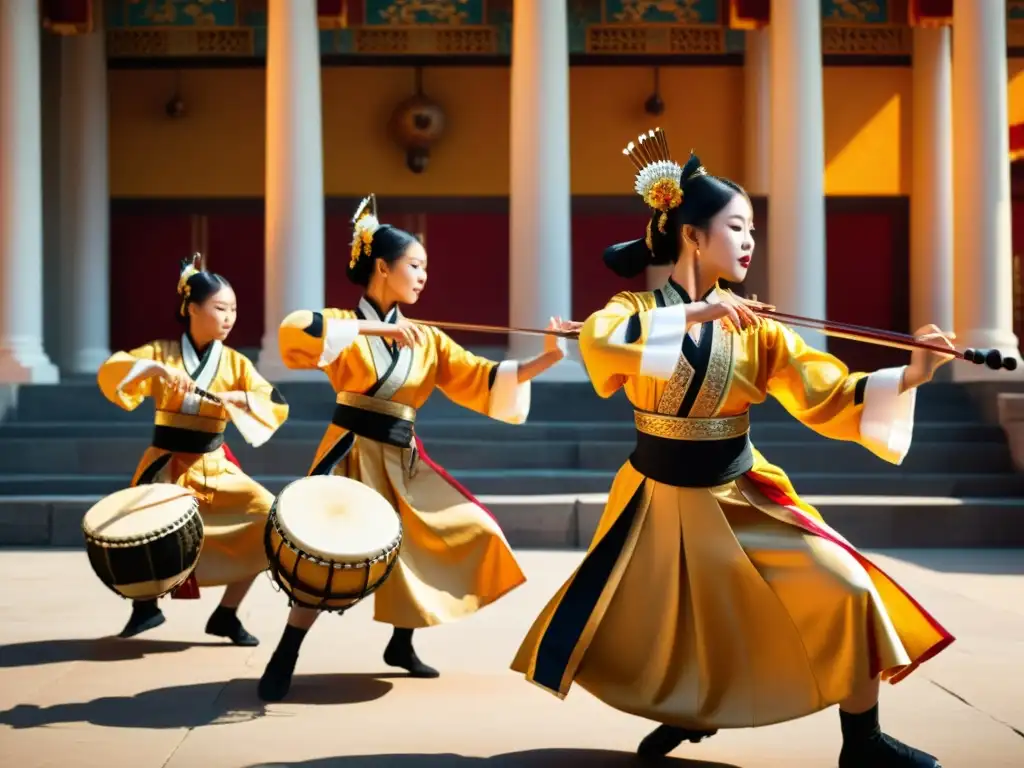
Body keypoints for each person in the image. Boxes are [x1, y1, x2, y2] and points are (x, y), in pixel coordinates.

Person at [510, 131, 955, 768]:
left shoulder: (757, 328)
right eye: (737, 227)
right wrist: (696, 317)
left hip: (737, 491)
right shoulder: (634, 307)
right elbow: (604, 348)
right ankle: (688, 712)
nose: (750, 241)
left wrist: (909, 375)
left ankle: (863, 742)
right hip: (655, 500)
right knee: (670, 627)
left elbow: (822, 387)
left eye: (753, 229)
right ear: (692, 236)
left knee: (848, 586)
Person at [257, 195, 572, 702]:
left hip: (402, 456)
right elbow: (295, 332)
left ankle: (401, 643)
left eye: (426, 267)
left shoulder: (426, 337)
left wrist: (550, 357)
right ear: (382, 268)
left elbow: (484, 377)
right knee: (322, 557)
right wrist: (373, 327)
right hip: (351, 454)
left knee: (456, 533)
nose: (424, 275)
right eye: (415, 265)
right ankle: (286, 653)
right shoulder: (346, 323)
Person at [96, 255, 289, 644]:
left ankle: (227, 613)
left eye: (234, 309)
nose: (229, 317)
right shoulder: (161, 353)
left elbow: (274, 402)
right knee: (143, 535)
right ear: (192, 309)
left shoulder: (235, 362)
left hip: (214, 465)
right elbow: (114, 370)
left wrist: (239, 398)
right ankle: (144, 607)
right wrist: (156, 371)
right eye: (220, 308)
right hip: (165, 463)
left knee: (272, 523)